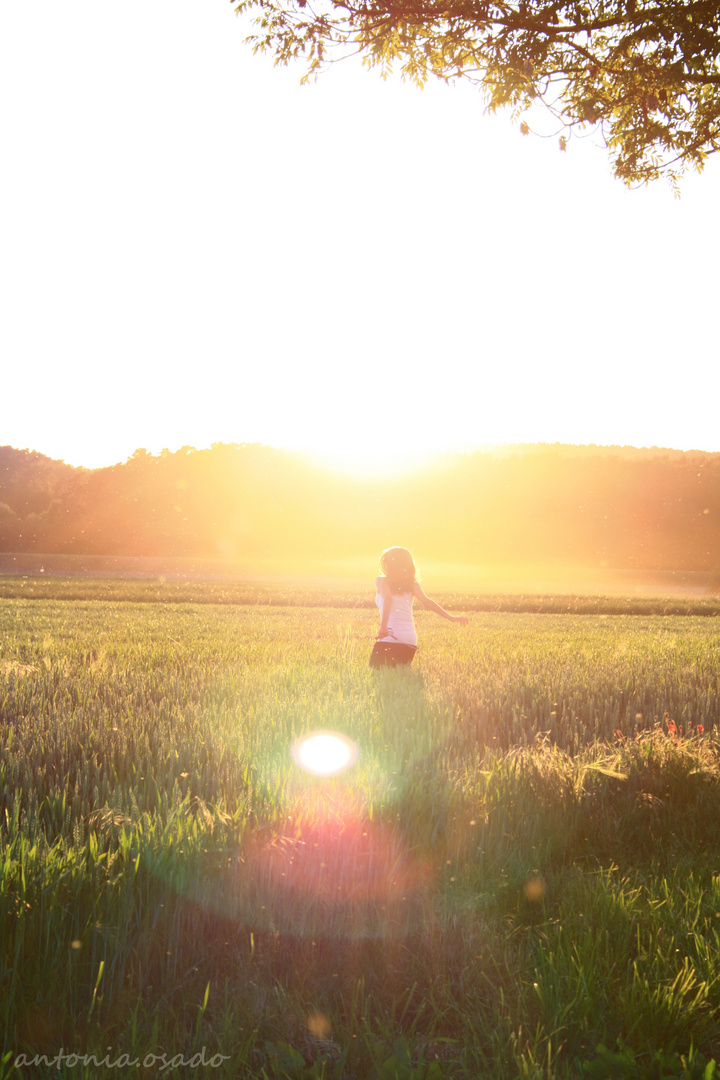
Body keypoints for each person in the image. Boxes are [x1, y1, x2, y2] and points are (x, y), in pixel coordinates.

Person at [369, 546, 469, 669]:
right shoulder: (412, 584)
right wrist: (451, 618)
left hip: (390, 636)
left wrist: (383, 627)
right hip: (410, 640)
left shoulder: (381, 581)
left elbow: (388, 599)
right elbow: (427, 602)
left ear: (388, 563)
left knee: (377, 676)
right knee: (400, 678)